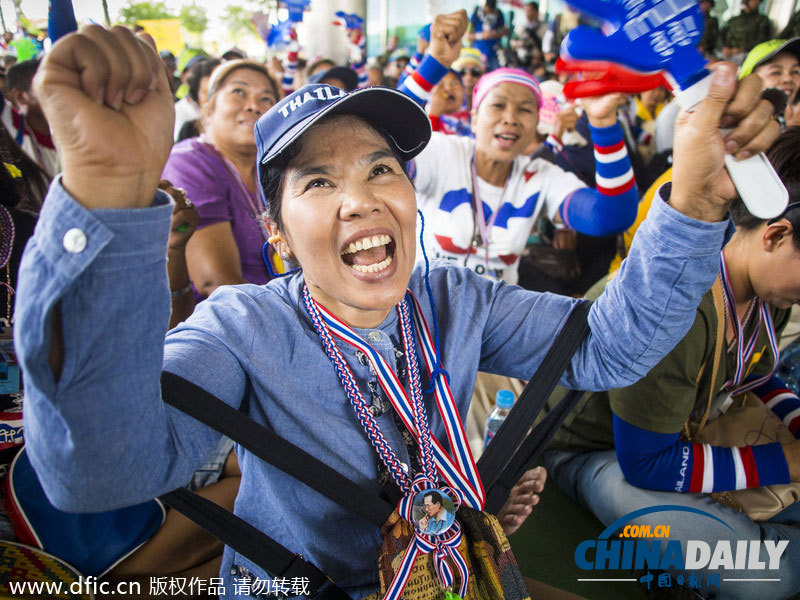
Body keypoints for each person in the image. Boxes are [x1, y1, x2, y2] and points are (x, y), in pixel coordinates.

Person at [18, 18, 778, 599]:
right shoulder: (241, 329)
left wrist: (694, 199)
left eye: (381, 167)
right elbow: (96, 473)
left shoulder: (454, 297)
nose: (360, 199)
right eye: (317, 182)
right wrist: (106, 196)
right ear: (277, 237)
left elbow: (615, 346)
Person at [542, 130, 800, 600]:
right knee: (763, 575)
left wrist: (796, 420)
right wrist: (787, 460)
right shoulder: (681, 307)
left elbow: (757, 372)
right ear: (777, 234)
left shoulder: (767, 287)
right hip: (593, 453)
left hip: (679, 437)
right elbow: (645, 465)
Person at [399, 26, 639, 284]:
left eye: (525, 110)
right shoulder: (444, 152)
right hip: (424, 314)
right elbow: (382, 140)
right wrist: (434, 62)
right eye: (498, 106)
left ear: (537, 122)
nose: (510, 119)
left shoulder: (539, 176)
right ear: (475, 117)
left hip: (495, 319)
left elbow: (611, 217)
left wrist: (603, 123)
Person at [161, 60, 282, 299]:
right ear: (208, 107)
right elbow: (215, 282)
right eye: (239, 92)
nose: (253, 106)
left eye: (266, 99)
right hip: (228, 323)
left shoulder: (271, 169)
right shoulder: (189, 162)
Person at [2, 59, 59, 177]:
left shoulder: (78, 125)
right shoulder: (12, 127)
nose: (58, 91)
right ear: (20, 97)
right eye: (46, 86)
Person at [739, 37, 800, 126]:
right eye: (776, 72)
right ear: (747, 80)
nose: (788, 79)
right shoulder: (729, 125)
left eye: (795, 72)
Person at [468, 0, 508, 71]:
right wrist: (482, 35)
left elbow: (505, 31)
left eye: (491, 9)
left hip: (494, 54)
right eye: (488, 8)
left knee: (495, 76)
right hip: (478, 53)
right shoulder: (476, 14)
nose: (489, 11)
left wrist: (496, 33)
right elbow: (467, 35)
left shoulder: (499, 14)